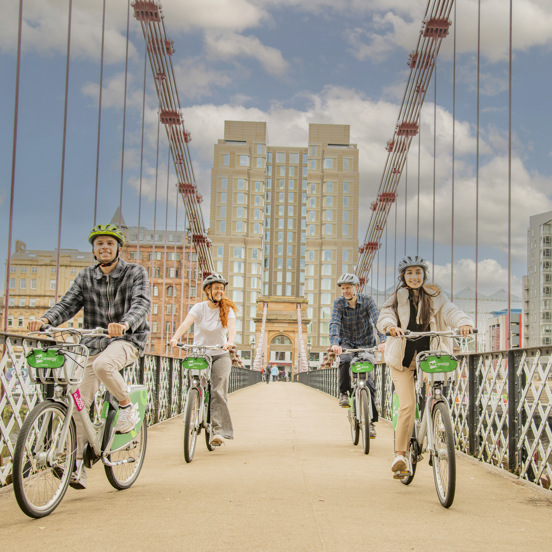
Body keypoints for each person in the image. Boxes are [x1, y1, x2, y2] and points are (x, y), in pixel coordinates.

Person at [28, 224, 151, 490]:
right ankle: (78, 467)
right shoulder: (85, 276)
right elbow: (68, 303)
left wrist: (126, 323)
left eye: (109, 243)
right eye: (99, 244)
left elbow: (141, 303)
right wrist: (46, 319)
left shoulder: (135, 272)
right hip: (92, 342)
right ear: (94, 251)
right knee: (78, 404)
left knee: (105, 364)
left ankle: (126, 407)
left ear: (119, 248)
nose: (104, 247)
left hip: (127, 339)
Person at [377, 255, 473, 478]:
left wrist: (464, 322)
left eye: (418, 272)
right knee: (408, 406)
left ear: (424, 275)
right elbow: (385, 316)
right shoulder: (395, 297)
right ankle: (400, 455)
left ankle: (438, 428)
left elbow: (451, 311)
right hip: (403, 361)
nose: (414, 277)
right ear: (403, 277)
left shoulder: (436, 295)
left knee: (436, 394)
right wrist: (390, 327)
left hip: (430, 357)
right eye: (409, 273)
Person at [170, 273, 237, 446]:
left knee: (217, 390)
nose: (219, 291)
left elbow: (231, 327)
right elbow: (186, 323)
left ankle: (218, 431)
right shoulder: (199, 308)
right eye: (216, 288)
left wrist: (230, 341)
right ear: (208, 290)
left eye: (222, 289)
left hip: (220, 354)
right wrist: (175, 338)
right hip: (200, 353)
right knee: (195, 381)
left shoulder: (227, 309)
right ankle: (194, 402)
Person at [330, 273, 385, 438]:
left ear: (356, 287)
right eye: (343, 288)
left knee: (369, 382)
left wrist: (383, 340)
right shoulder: (339, 303)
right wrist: (335, 343)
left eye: (348, 288)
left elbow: (377, 320)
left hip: (366, 344)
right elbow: (335, 322)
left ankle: (371, 423)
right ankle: (344, 393)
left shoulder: (367, 301)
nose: (345, 291)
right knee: (345, 360)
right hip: (346, 342)